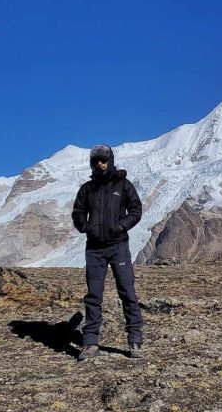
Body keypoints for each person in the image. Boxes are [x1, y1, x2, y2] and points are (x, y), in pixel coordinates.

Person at [71, 144, 144, 361]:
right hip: (94, 249)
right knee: (94, 296)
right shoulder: (87, 189)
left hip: (118, 246)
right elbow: (78, 212)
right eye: (96, 161)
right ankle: (90, 342)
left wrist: (121, 226)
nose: (100, 164)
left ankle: (135, 340)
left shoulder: (122, 184)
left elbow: (136, 210)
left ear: (110, 160)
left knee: (127, 292)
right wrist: (85, 227)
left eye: (103, 160)